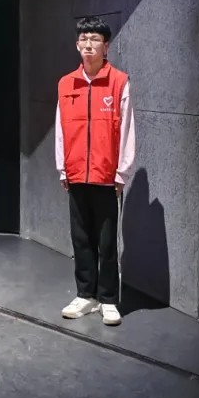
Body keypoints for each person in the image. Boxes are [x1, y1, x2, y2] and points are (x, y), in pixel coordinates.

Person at [55, 16, 135, 326]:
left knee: (107, 241)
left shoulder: (119, 82)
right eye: (84, 39)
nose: (89, 44)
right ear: (77, 45)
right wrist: (63, 168)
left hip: (106, 176)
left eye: (95, 39)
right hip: (76, 174)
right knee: (80, 239)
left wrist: (122, 173)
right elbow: (61, 129)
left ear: (106, 46)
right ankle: (85, 295)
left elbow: (127, 131)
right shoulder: (66, 84)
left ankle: (108, 299)